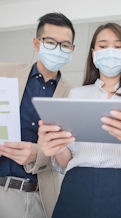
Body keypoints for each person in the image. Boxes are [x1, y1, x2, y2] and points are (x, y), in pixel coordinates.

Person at [38, 23, 121, 218]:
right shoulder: (76, 95)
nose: (110, 51)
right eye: (103, 46)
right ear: (93, 54)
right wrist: (57, 145)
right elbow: (65, 160)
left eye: (118, 46)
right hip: (76, 186)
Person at [0, 12, 75, 218]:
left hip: (38, 197)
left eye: (65, 45)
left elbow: (70, 153)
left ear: (71, 50)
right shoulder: (4, 73)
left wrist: (38, 153)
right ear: (36, 43)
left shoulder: (73, 95)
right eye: (50, 42)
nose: (58, 49)